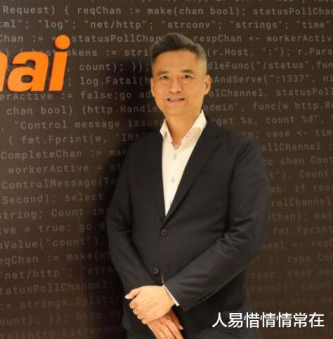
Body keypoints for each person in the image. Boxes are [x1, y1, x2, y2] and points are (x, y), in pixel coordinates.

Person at [106, 33, 270, 339]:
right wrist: (147, 303)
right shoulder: (138, 153)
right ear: (152, 87)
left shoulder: (239, 151)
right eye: (164, 77)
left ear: (206, 84)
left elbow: (245, 236)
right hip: (148, 326)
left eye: (186, 76)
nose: (174, 87)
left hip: (216, 326)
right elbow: (117, 226)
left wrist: (170, 294)